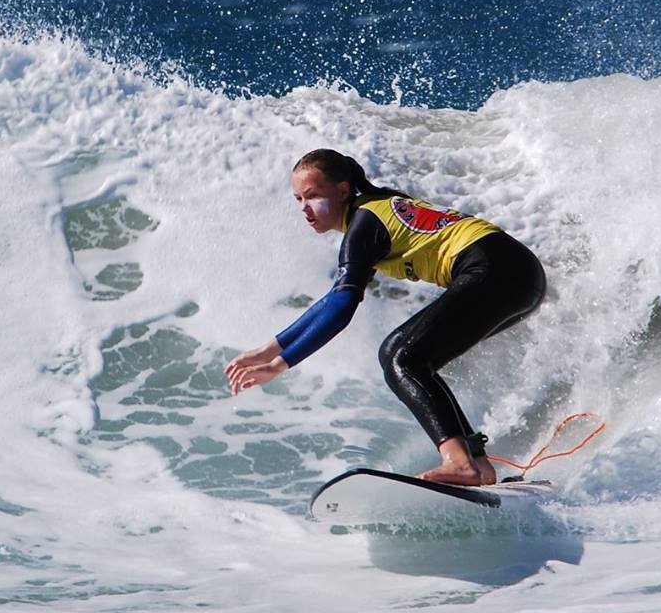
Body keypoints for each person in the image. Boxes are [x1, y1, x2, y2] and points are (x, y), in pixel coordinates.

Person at [224, 148, 546, 486]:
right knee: (414, 360)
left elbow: (340, 310)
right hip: (518, 273)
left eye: (314, 196)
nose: (305, 208)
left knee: (401, 356)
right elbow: (334, 300)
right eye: (298, 199)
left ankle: (459, 462)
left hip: (496, 269)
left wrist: (279, 364)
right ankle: (478, 466)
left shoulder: (364, 223)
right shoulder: (372, 215)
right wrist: (269, 350)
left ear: (343, 191)